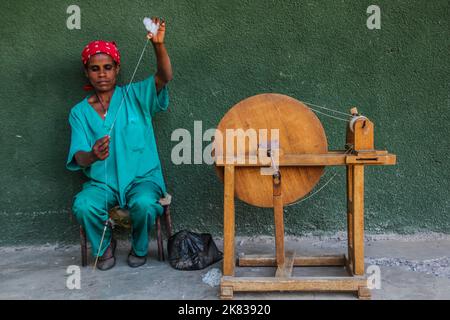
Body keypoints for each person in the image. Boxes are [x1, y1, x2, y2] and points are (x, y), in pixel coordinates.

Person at [66, 18, 173, 270]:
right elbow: (78, 158)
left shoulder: (135, 95)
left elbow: (165, 76)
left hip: (141, 179)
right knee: (83, 204)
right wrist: (92, 155)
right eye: (95, 68)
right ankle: (104, 249)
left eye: (107, 67)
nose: (102, 73)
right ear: (87, 72)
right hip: (103, 183)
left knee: (146, 204)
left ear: (117, 68)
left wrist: (158, 45)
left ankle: (139, 247)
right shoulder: (79, 112)